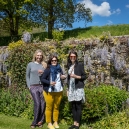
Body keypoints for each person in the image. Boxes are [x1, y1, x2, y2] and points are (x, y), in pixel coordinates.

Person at [40, 54, 66, 129]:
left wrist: (63, 77)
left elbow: (61, 77)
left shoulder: (59, 68)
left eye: (55, 60)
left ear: (57, 61)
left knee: (56, 107)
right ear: (50, 61)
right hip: (49, 91)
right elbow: (42, 79)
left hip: (58, 90)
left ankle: (55, 122)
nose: (54, 62)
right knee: (49, 107)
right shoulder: (48, 69)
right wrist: (50, 83)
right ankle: (49, 122)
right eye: (52, 60)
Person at [26, 49, 46, 128]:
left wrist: (43, 73)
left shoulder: (43, 65)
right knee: (37, 103)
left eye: (40, 55)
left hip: (42, 86)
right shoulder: (30, 64)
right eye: (38, 55)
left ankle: (40, 121)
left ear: (42, 56)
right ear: (35, 56)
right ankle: (34, 122)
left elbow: (47, 76)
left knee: (43, 104)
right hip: (33, 86)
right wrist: (29, 87)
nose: (39, 57)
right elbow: (27, 76)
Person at [67, 50, 86, 129]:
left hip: (78, 88)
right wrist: (67, 89)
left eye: (74, 56)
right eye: (71, 56)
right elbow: (68, 78)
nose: (72, 58)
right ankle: (74, 123)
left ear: (76, 57)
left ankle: (78, 124)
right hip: (71, 89)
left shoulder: (80, 65)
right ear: (69, 57)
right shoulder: (69, 65)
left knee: (78, 106)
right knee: (73, 106)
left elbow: (84, 76)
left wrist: (76, 77)